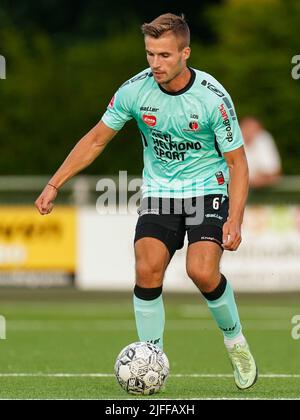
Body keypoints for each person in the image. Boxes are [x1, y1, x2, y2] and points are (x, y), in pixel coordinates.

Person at [35, 13, 257, 390]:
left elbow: (238, 162)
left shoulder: (212, 98)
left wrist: (235, 219)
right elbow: (95, 140)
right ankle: (151, 358)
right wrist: (55, 184)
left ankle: (235, 341)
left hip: (208, 188)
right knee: (147, 267)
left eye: (165, 55)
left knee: (202, 272)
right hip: (160, 192)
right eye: (150, 54)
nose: (155, 63)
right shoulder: (134, 91)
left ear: (185, 53)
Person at [240, 116, 282, 188]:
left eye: (253, 129)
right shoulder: (231, 141)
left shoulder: (264, 139)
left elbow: (274, 173)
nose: (249, 132)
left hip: (261, 192)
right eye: (246, 127)